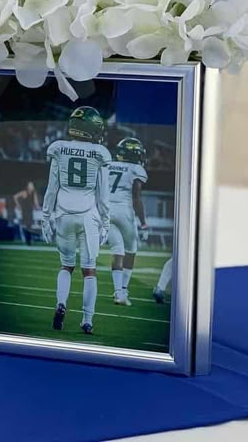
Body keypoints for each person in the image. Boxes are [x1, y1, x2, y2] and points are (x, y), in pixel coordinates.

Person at [41, 106, 111, 335]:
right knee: (89, 271)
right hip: (88, 216)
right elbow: (102, 194)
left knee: (66, 266)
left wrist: (45, 217)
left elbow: (52, 188)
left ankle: (61, 304)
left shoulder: (59, 149)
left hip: (63, 214)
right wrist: (106, 221)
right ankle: (87, 320)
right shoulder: (99, 152)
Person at [106, 137, 149, 306]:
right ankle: (123, 289)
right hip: (124, 211)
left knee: (117, 250)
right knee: (131, 250)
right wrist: (143, 223)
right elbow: (136, 197)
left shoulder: (108, 164)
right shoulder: (136, 169)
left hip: (107, 210)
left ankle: (118, 293)